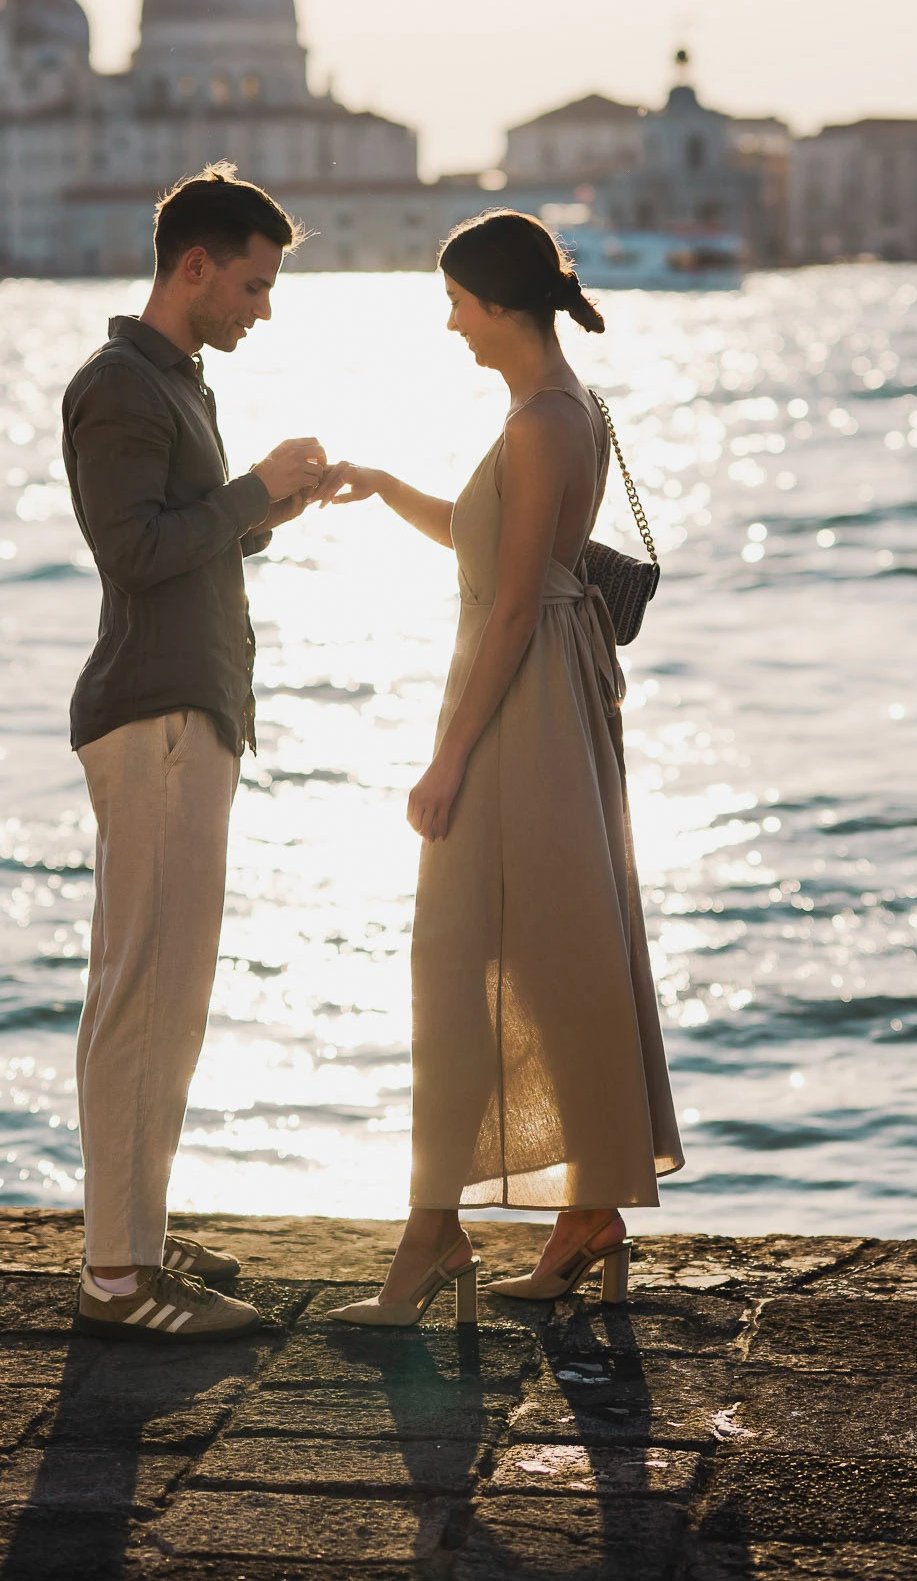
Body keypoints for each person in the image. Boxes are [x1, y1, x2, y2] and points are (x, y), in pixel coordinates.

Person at [315, 212, 683, 1327]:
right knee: (545, 953)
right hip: (541, 706)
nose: (449, 323)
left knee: (459, 961)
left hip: (517, 713)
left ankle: (442, 1234)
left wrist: (444, 761)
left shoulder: (541, 419)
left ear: (497, 303)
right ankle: (574, 1212)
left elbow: (514, 604)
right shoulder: (559, 408)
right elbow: (493, 551)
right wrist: (385, 487)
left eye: (458, 304)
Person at [62, 163, 326, 1344]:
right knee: (142, 998)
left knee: (170, 999)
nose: (260, 309)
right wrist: (249, 495)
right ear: (194, 265)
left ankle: (139, 1243)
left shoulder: (177, 382)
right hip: (155, 720)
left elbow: (191, 540)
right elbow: (132, 550)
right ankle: (118, 1277)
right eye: (254, 285)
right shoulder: (120, 387)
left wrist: (267, 508)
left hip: (191, 716)